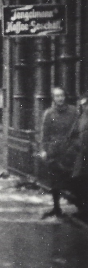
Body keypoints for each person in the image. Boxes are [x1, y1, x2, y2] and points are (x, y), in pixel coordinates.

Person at [39, 87, 79, 218]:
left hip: (70, 150)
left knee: (74, 177)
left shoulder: (73, 111)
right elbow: (45, 134)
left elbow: (79, 129)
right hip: (54, 151)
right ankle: (57, 207)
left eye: (61, 95)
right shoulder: (49, 114)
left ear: (65, 97)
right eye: (57, 96)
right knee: (55, 181)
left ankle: (80, 207)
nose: (60, 98)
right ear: (53, 98)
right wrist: (44, 150)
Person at [69, 91, 88, 219]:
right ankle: (82, 208)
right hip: (81, 155)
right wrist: (77, 145)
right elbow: (72, 135)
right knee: (77, 181)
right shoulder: (81, 118)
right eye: (84, 104)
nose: (86, 107)